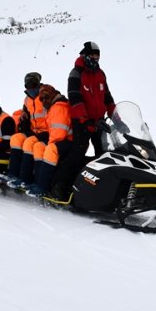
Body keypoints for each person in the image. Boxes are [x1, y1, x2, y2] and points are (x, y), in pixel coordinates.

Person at [57, 41, 116, 195]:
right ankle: (59, 187)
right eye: (92, 54)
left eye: (97, 55)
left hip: (99, 122)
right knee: (77, 155)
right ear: (85, 55)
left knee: (103, 156)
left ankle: (99, 191)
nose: (95, 57)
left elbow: (107, 97)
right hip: (82, 122)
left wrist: (117, 117)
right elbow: (75, 99)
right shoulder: (76, 73)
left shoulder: (100, 74)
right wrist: (86, 120)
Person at [0, 71, 50, 190]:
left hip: (47, 132)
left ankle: (25, 178)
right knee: (16, 138)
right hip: (34, 130)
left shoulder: (46, 96)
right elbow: (26, 112)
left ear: (38, 84)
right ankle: (13, 174)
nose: (31, 87)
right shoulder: (27, 99)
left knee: (29, 142)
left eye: (33, 84)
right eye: (28, 85)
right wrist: (23, 115)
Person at [25, 84, 74, 199]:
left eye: (46, 97)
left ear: (53, 95)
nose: (44, 101)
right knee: (38, 146)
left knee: (50, 149)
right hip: (60, 140)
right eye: (41, 99)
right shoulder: (52, 107)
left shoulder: (59, 107)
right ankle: (37, 183)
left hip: (68, 142)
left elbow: (59, 134)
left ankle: (43, 187)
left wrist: (49, 144)